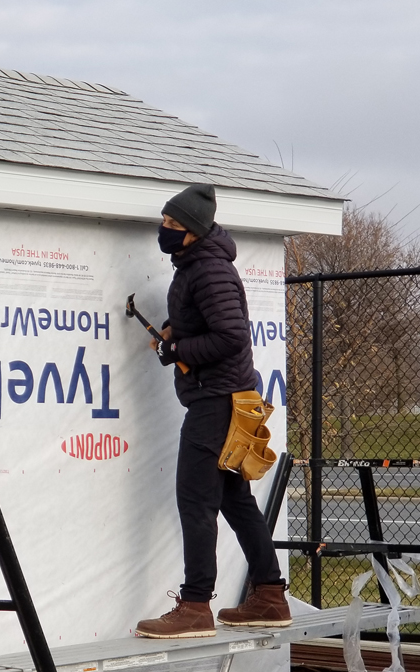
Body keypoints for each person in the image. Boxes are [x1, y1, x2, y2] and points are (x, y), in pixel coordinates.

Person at [134, 183, 290, 639]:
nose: (163, 229)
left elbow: (230, 336)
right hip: (223, 397)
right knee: (235, 501)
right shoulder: (197, 266)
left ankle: (196, 606)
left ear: (194, 231)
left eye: (172, 224)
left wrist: (178, 345)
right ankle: (270, 597)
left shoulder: (208, 271)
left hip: (217, 402)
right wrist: (172, 330)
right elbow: (210, 324)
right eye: (164, 220)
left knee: (196, 501)